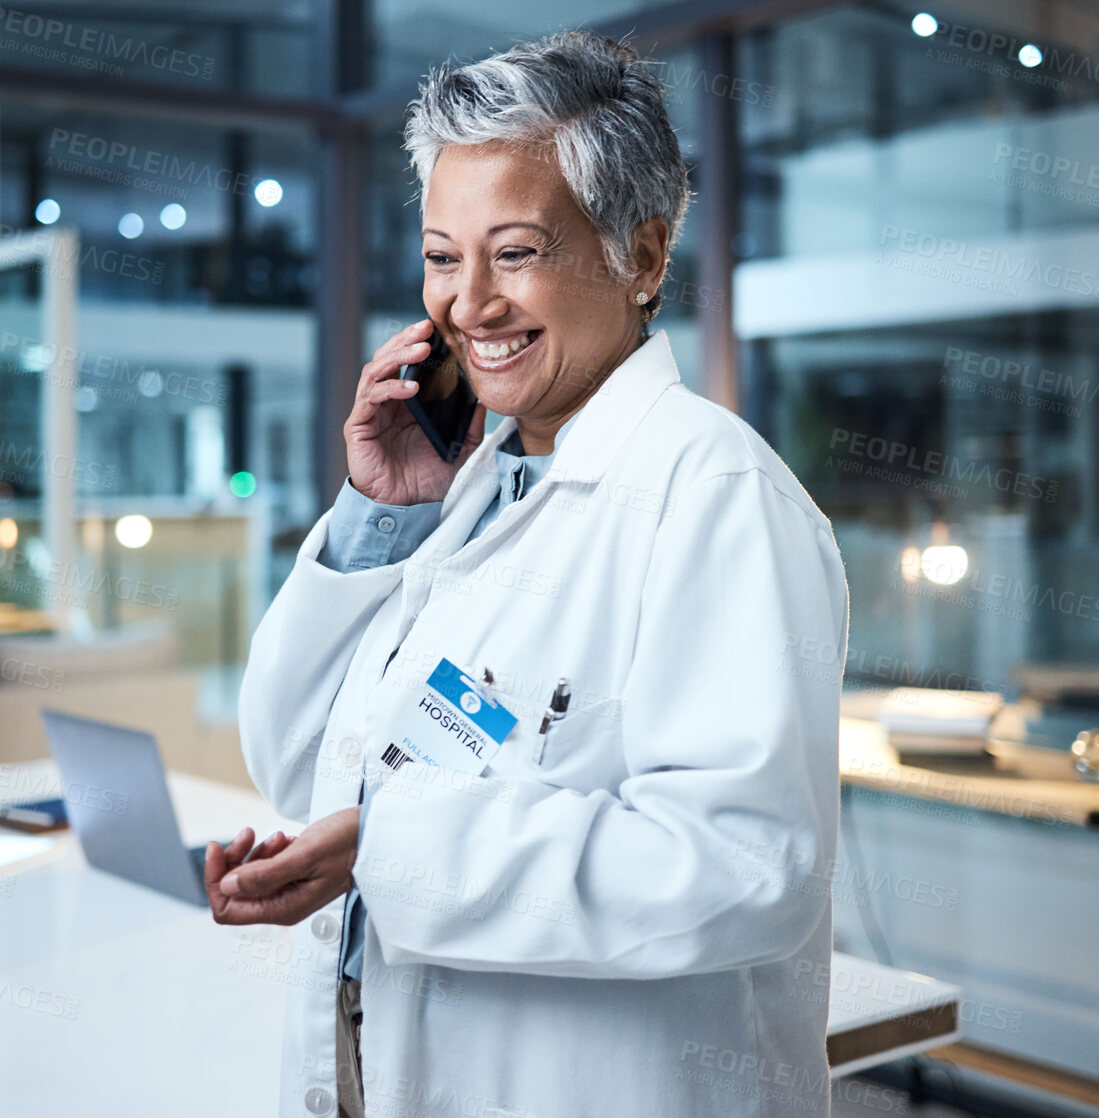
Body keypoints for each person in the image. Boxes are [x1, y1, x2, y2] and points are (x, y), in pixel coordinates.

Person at [210, 30, 848, 1118]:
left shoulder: (714, 495)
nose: (467, 304)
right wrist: (380, 518)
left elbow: (743, 864)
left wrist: (393, 845)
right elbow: (299, 764)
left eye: (514, 252)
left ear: (641, 257)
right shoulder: (464, 487)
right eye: (441, 256)